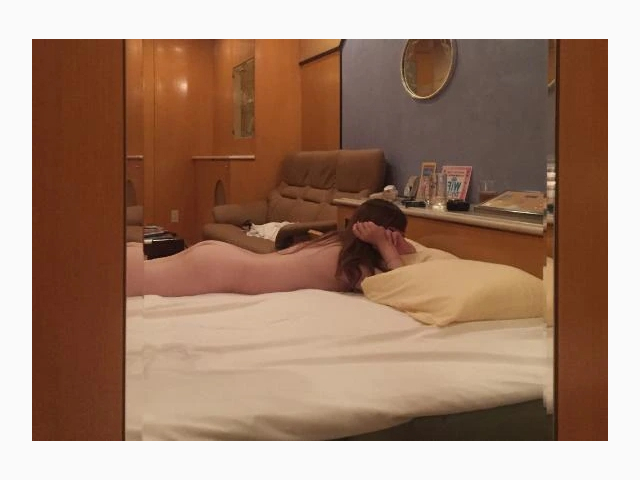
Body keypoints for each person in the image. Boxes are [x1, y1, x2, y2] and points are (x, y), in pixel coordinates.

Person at [126, 198, 416, 297]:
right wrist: (385, 245)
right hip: (221, 268)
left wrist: (387, 242)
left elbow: (408, 258)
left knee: (133, 271)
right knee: (122, 283)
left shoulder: (337, 244)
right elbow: (403, 288)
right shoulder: (356, 268)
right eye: (398, 235)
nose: (403, 242)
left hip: (222, 260)